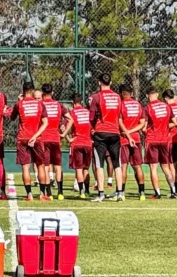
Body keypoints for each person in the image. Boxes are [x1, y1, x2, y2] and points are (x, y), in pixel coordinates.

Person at [11, 81, 50, 201]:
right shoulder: (40, 104)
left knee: (25, 167)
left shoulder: (20, 104)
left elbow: (12, 118)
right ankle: (42, 194)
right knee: (41, 166)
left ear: (23, 91)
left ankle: (29, 195)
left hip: (23, 138)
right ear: (33, 91)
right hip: (37, 139)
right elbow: (45, 123)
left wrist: (18, 101)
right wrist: (36, 135)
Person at [88, 73, 124, 203]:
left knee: (99, 164)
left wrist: (93, 128)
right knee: (117, 164)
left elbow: (91, 117)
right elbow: (119, 115)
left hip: (101, 133)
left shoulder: (96, 97)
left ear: (99, 82)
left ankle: (101, 193)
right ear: (111, 82)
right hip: (115, 133)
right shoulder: (118, 97)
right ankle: (120, 193)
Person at [144, 87, 177, 199]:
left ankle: (157, 193)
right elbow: (175, 122)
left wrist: (146, 130)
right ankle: (173, 191)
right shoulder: (167, 106)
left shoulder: (147, 108)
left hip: (152, 139)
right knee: (166, 167)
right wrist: (164, 127)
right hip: (164, 140)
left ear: (147, 96)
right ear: (157, 94)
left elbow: (144, 127)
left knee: (153, 168)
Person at [40, 83, 70, 200]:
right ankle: (60, 192)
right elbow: (70, 119)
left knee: (46, 166)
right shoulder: (58, 105)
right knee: (58, 166)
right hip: (56, 138)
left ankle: (49, 193)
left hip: (44, 138)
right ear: (52, 93)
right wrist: (64, 133)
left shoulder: (40, 104)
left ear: (43, 93)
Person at [60, 94, 92, 199]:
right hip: (88, 143)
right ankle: (87, 190)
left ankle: (81, 191)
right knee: (86, 168)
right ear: (81, 102)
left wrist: (68, 138)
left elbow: (62, 127)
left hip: (77, 143)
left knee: (78, 168)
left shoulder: (72, 113)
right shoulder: (88, 112)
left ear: (72, 103)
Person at [118, 84, 147, 201]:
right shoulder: (138, 105)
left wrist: (127, 132)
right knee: (138, 167)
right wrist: (132, 132)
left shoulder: (121, 105)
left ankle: (122, 193)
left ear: (122, 93)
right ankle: (142, 193)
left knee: (123, 167)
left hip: (124, 139)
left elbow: (119, 122)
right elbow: (142, 123)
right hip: (136, 139)